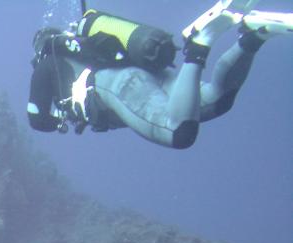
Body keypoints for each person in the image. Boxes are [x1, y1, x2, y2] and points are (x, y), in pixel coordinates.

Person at [27, 0, 293, 148]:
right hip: (148, 70)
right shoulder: (87, 44)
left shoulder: (46, 63)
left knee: (179, 132)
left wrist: (58, 118)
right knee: (216, 101)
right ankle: (254, 37)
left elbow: (37, 120)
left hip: (115, 84)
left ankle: (199, 45)